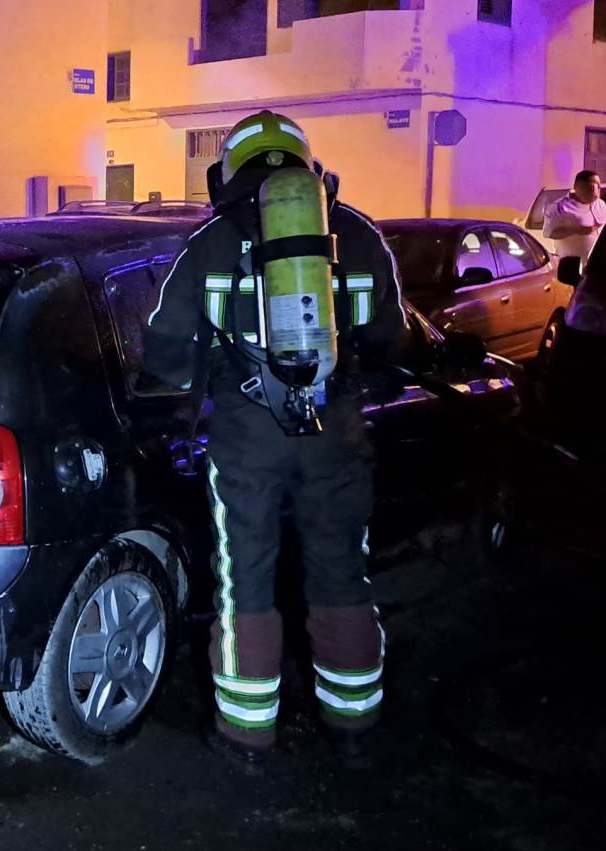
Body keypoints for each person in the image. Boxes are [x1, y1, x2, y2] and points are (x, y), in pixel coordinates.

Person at [143, 111, 405, 769]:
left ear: (231, 172)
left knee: (244, 577)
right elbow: (390, 340)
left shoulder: (208, 243)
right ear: (303, 165)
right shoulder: (359, 236)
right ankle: (354, 725)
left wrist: (186, 383)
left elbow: (166, 346)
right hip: (334, 428)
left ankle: (247, 734)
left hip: (247, 432)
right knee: (343, 567)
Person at [543, 170, 606, 261]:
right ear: (578, 187)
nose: (598, 188)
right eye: (593, 186)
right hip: (572, 266)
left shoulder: (601, 205)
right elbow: (549, 233)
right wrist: (576, 230)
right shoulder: (559, 208)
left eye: (599, 186)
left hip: (597, 265)